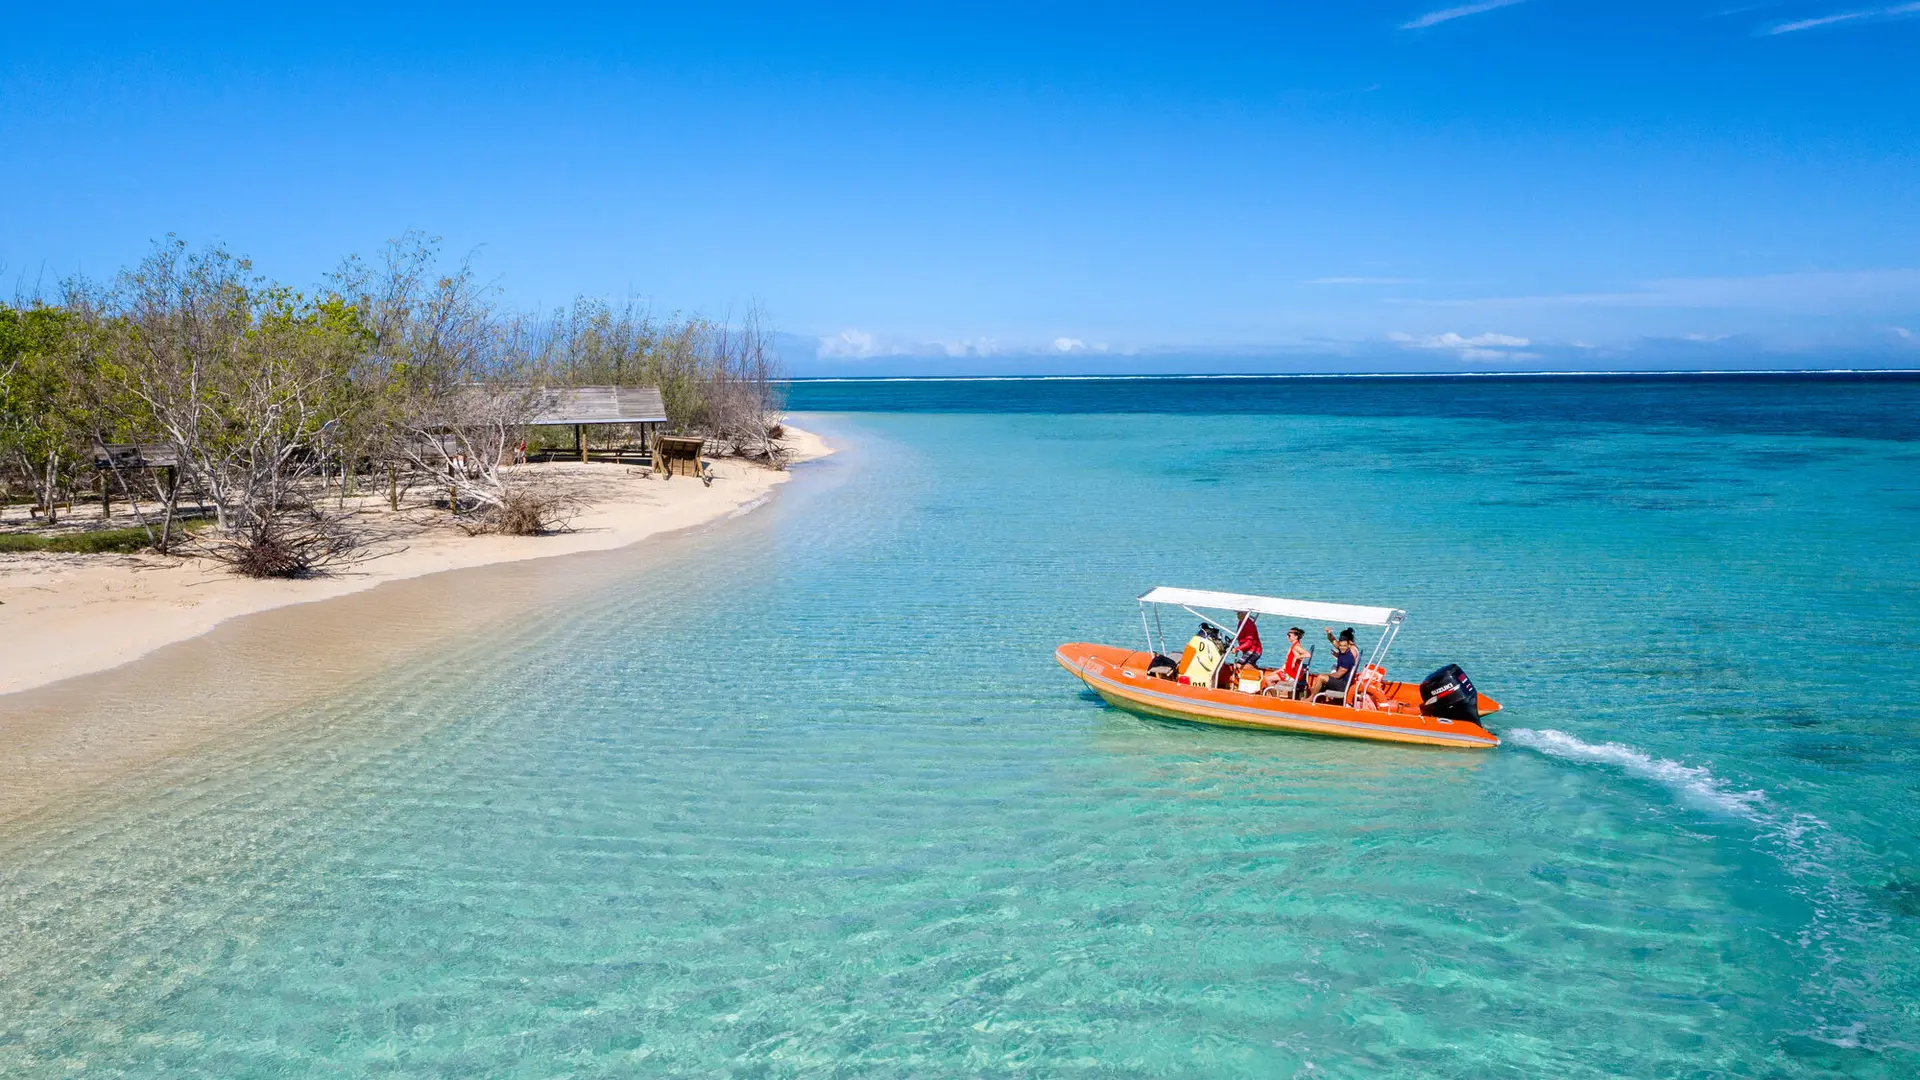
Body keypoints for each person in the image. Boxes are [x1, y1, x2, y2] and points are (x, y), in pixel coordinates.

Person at [1308, 627, 1360, 703]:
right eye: (1340, 644)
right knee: (1322, 677)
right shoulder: (1343, 649)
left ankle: (1310, 699)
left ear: (1348, 643)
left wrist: (1324, 675)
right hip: (1342, 679)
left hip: (1343, 684)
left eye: (1344, 645)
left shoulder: (1351, 653)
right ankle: (1318, 699)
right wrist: (1329, 633)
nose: (1341, 646)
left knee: (1321, 677)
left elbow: (1338, 674)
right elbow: (1332, 640)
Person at [1262, 627, 1312, 698]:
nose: (1287, 637)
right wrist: (1278, 670)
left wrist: (1296, 657)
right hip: (1287, 672)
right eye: (1287, 635)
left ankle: (1275, 697)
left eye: (1289, 635)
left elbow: (1308, 654)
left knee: (1267, 679)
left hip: (1290, 675)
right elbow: (1287, 663)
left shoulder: (1296, 647)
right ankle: (1275, 696)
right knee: (1267, 677)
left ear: (1296, 636)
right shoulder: (1294, 645)